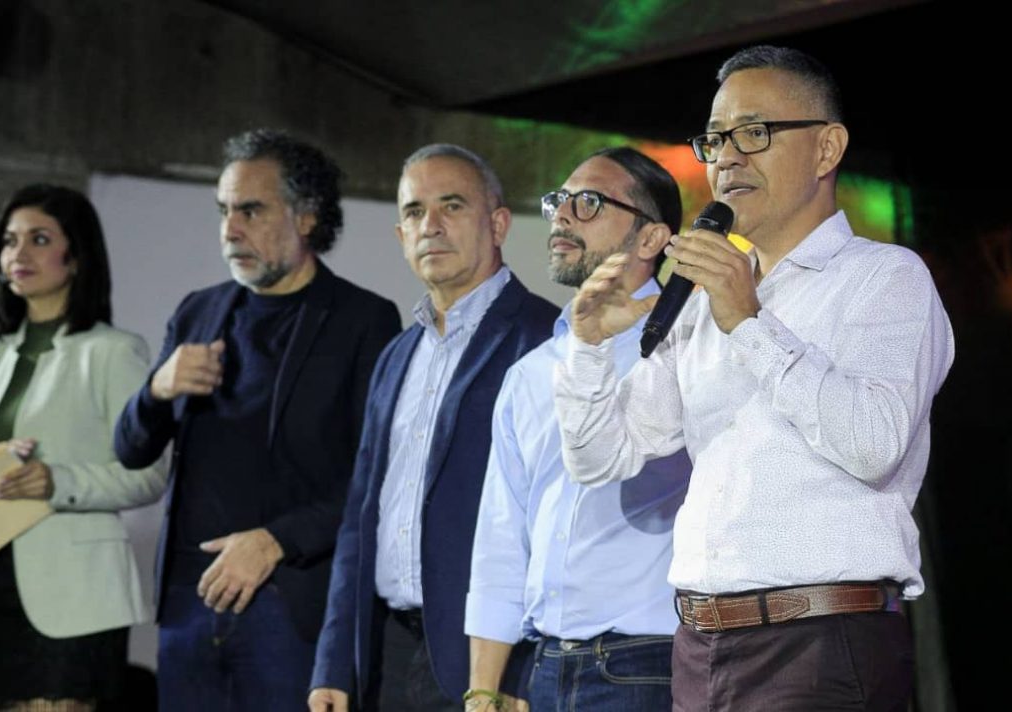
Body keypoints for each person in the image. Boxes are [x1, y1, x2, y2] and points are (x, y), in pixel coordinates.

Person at [552, 46, 954, 711]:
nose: (728, 158)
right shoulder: (703, 296)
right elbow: (600, 458)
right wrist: (590, 348)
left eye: (755, 133)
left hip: (821, 641)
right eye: (715, 139)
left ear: (827, 149)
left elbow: (874, 443)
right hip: (700, 645)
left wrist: (749, 321)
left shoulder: (885, 278)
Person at [114, 129, 401, 710]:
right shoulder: (198, 311)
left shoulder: (362, 320)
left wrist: (275, 541)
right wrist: (158, 389)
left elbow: (376, 479)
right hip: (190, 606)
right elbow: (130, 449)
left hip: (289, 607)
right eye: (223, 210)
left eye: (250, 210)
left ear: (307, 217)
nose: (230, 230)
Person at [308, 144, 558, 712]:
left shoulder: (545, 338)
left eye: (452, 206)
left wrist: (521, 673)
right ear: (402, 236)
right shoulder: (397, 355)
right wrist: (333, 665)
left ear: (498, 224)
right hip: (388, 656)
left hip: (491, 663)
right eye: (415, 212)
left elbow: (556, 520)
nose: (431, 226)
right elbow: (360, 518)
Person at [465, 147, 692, 712]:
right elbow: (502, 537)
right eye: (558, 201)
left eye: (588, 202)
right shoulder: (531, 373)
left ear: (650, 238)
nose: (562, 216)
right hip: (544, 666)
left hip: (650, 661)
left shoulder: (690, 346)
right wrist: (484, 689)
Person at [0, 184, 167, 711]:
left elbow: (149, 473)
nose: (19, 253)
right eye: (10, 241)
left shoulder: (112, 351)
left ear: (78, 256)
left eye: (39, 239)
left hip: (73, 598)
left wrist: (56, 481)